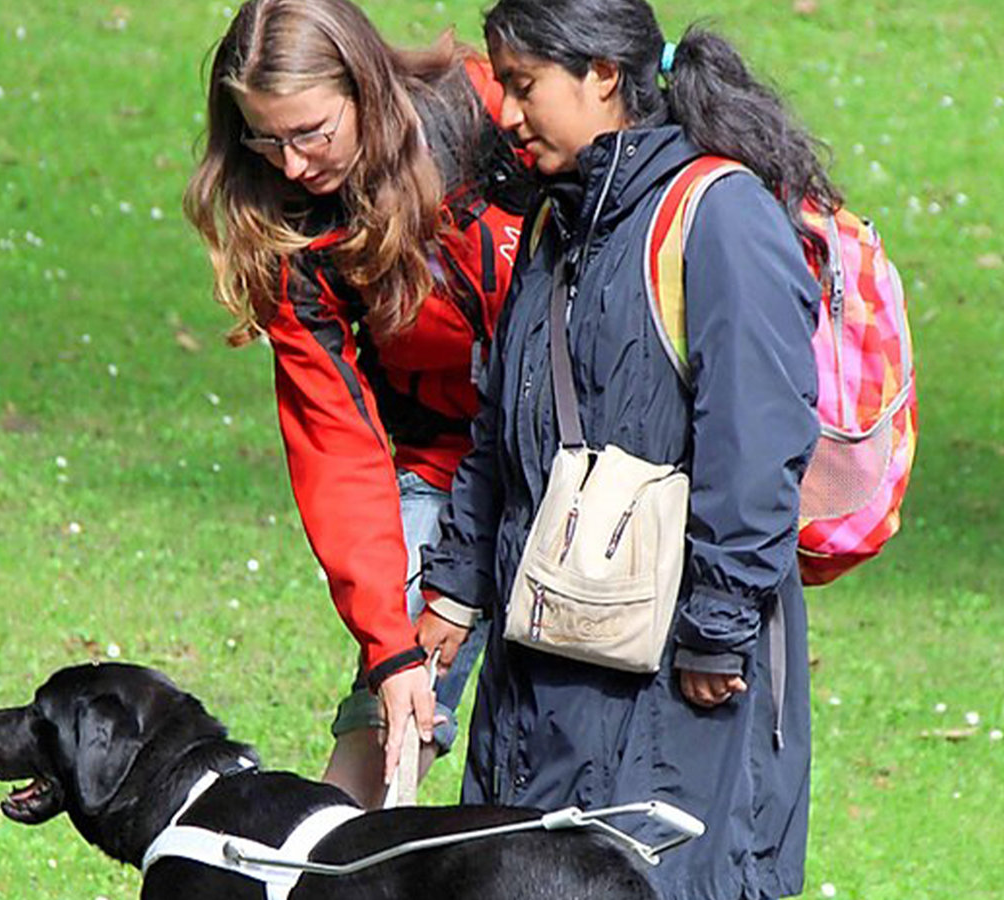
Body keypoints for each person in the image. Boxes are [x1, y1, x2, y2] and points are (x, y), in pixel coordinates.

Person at [421, 1, 839, 897]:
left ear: (603, 76)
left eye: (525, 86)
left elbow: (759, 447)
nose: (507, 113)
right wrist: (455, 590)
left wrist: (718, 636)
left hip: (680, 689)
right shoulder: (555, 220)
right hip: (539, 669)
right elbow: (500, 429)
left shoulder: (717, 218)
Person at [184, 0, 531, 808]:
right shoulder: (292, 233)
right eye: (265, 140)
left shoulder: (491, 116)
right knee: (389, 709)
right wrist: (391, 647)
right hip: (442, 462)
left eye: (311, 132)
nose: (294, 165)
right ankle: (333, 872)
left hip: (578, 454)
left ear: (366, 90)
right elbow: (335, 444)